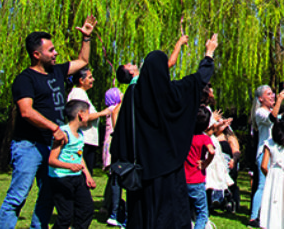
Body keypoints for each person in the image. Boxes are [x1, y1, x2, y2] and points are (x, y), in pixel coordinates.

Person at [0, 15, 97, 229]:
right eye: (51, 50)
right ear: (36, 54)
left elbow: (83, 61)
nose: (56, 53)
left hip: (52, 146)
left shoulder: (57, 71)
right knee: (18, 196)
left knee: (48, 197)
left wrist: (86, 38)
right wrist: (53, 127)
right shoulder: (25, 79)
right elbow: (26, 111)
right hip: (29, 145)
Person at [110, 33, 219, 229]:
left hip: (141, 171)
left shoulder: (132, 96)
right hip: (169, 171)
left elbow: (120, 134)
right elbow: (199, 80)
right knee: (169, 218)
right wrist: (209, 53)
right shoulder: (173, 94)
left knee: (142, 217)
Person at [47, 100, 96, 229]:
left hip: (77, 178)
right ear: (81, 114)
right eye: (88, 114)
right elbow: (51, 160)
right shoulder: (62, 134)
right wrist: (69, 166)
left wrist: (88, 175)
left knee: (86, 209)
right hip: (61, 179)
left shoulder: (80, 134)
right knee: (65, 216)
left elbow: (79, 157)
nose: (90, 117)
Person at [249, 84, 284, 227]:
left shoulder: (272, 111)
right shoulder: (260, 112)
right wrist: (279, 101)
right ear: (260, 98)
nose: (273, 96)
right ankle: (253, 217)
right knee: (262, 185)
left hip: (275, 152)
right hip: (264, 153)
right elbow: (271, 118)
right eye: (268, 94)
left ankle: (269, 214)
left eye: (273, 93)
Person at [67, 67, 113, 173]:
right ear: (81, 80)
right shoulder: (78, 93)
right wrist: (103, 113)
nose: (93, 80)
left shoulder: (82, 93)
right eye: (90, 77)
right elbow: (83, 116)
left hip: (88, 140)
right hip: (84, 139)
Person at [185, 106, 216, 229]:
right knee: (202, 213)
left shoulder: (186, 137)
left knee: (185, 211)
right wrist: (206, 163)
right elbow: (212, 151)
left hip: (184, 179)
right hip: (197, 180)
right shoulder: (204, 138)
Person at [102, 87, 124, 227]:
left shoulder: (112, 109)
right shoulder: (114, 109)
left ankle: (107, 207)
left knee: (113, 178)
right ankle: (113, 211)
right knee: (116, 177)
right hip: (114, 145)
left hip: (110, 145)